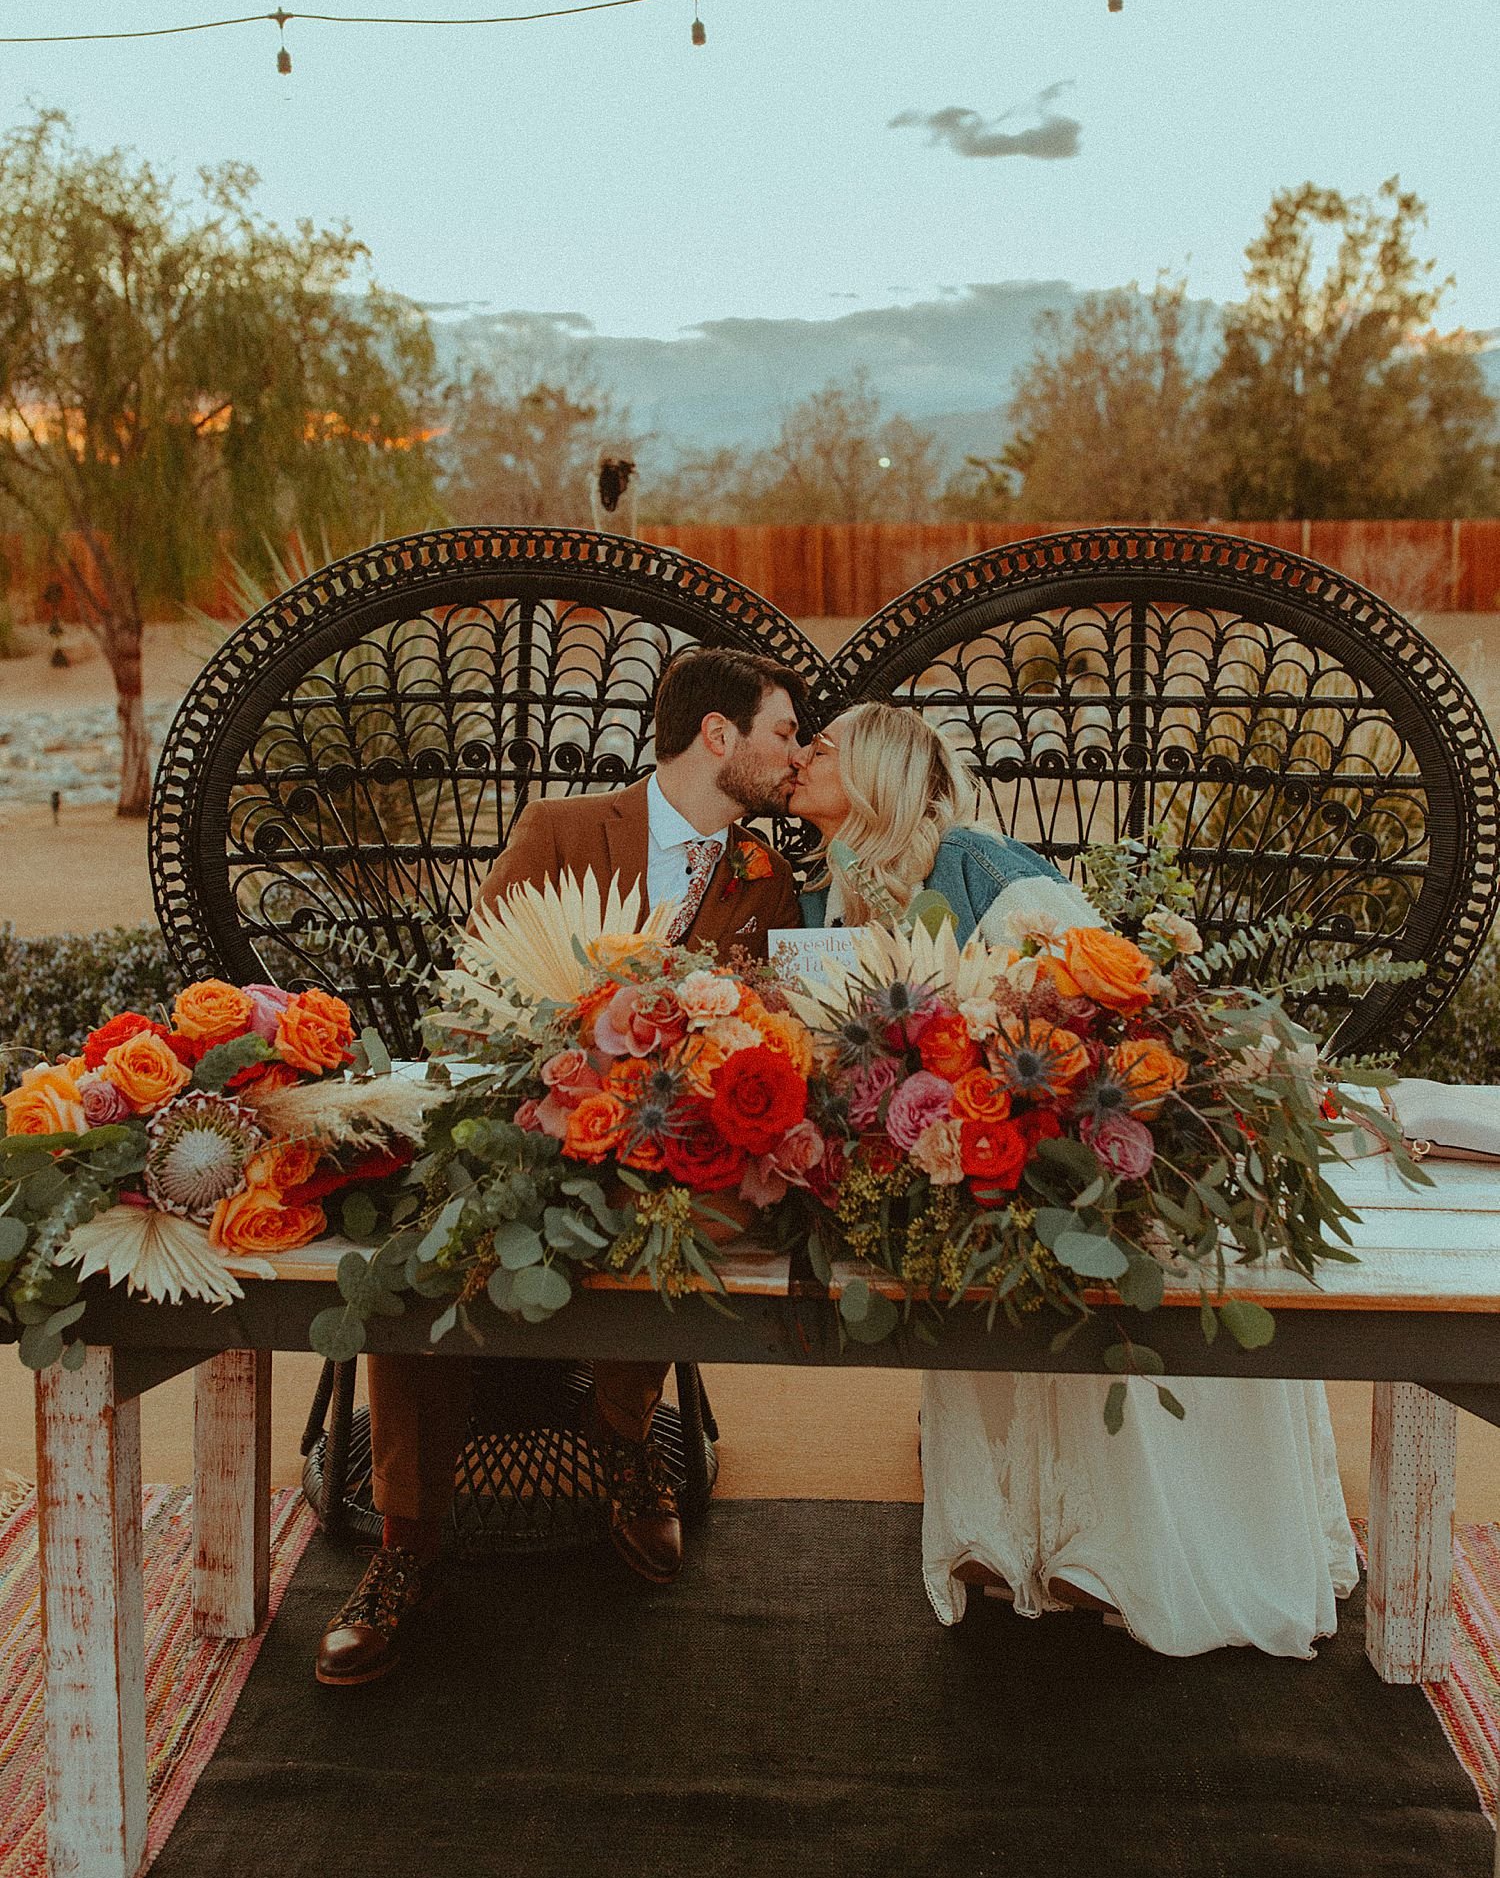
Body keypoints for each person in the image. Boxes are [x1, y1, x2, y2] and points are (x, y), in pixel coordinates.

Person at [789, 701, 1358, 1660]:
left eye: (826, 745)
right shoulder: (835, 898)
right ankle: (1024, 1537)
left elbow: (1109, 1012)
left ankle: (1127, 1543)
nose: (804, 755)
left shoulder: (979, 866)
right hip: (963, 1158)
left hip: (1085, 1137)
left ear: (878, 774)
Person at [317, 646, 804, 1687]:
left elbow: (779, 1029)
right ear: (717, 735)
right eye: (782, 731)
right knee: (427, 1232)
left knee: (675, 1196)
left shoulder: (769, 876)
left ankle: (626, 1447)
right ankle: (408, 1547)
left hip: (666, 1137)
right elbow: (468, 991)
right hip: (525, 1111)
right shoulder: (563, 829)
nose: (793, 755)